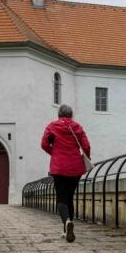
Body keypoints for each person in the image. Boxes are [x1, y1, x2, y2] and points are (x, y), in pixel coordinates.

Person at [40, 104, 91, 243]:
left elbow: (44, 144)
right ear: (71, 115)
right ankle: (66, 227)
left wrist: (54, 153)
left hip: (59, 167)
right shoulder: (77, 127)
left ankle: (67, 222)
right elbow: (86, 146)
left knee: (61, 199)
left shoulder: (52, 126)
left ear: (59, 115)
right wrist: (87, 158)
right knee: (69, 197)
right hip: (75, 167)